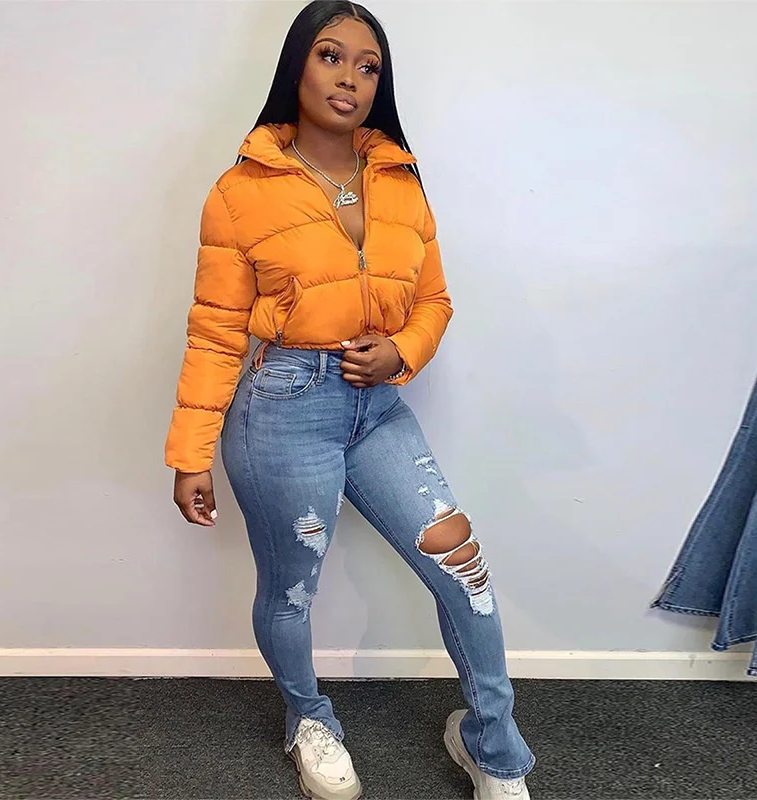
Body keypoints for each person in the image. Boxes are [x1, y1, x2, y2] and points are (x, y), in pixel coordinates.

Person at [165, 2, 534, 798]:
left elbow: (434, 300)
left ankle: (495, 750)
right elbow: (216, 331)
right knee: (292, 589)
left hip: (379, 411)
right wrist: (189, 454)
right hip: (282, 410)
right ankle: (308, 718)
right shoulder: (239, 192)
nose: (351, 79)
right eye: (331, 56)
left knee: (463, 571)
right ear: (296, 65)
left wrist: (403, 349)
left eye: (369, 67)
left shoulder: (399, 179)